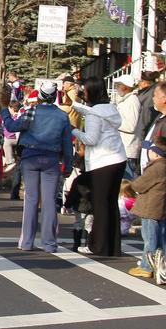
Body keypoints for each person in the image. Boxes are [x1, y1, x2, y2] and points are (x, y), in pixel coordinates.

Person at [0, 80, 73, 253]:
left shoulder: (31, 111)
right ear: (55, 96)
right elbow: (67, 144)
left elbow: (12, 125)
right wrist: (68, 164)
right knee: (49, 201)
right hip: (51, 159)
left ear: (40, 95)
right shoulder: (62, 116)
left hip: (30, 157)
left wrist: (4, 110)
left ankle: (27, 242)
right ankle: (49, 243)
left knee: (31, 200)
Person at [70, 77, 128, 257]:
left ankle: (98, 245)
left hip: (102, 161)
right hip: (118, 159)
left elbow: (91, 139)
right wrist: (77, 106)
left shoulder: (95, 113)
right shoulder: (110, 109)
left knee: (100, 204)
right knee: (110, 203)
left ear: (91, 92)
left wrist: (72, 130)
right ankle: (112, 246)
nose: (83, 93)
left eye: (85, 90)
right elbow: (94, 113)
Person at [127, 135, 166, 281]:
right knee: (161, 238)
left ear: (155, 153)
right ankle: (161, 265)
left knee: (150, 239)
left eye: (149, 149)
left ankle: (146, 267)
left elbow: (138, 185)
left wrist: (135, 181)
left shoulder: (156, 168)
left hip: (150, 208)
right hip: (160, 208)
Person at [115, 75, 143, 178]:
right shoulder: (126, 100)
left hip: (128, 150)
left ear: (126, 87)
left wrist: (114, 122)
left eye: (119, 85)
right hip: (123, 149)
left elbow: (131, 126)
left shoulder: (132, 101)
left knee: (128, 182)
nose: (116, 87)